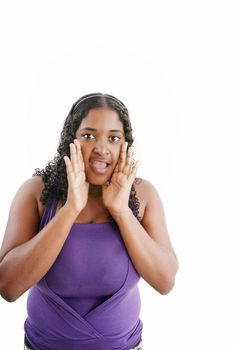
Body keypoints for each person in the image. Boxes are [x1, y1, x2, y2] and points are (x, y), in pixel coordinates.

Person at [0, 93, 178, 350]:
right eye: (89, 135)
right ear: (70, 140)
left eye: (114, 138)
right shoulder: (36, 193)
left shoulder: (143, 195)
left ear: (125, 146)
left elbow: (165, 282)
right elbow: (8, 287)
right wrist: (71, 209)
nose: (101, 148)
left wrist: (121, 211)